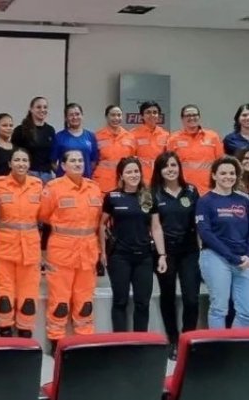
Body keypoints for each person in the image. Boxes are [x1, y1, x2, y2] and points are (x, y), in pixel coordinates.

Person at [39, 149, 102, 352]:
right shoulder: (53, 188)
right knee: (60, 301)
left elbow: (98, 219)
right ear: (63, 166)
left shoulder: (94, 188)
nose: (77, 163)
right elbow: (44, 215)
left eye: (80, 160)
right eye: (72, 160)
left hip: (88, 251)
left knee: (85, 300)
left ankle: (84, 341)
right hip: (62, 251)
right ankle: (56, 342)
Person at [99, 157, 167, 333]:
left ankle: (140, 344)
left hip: (144, 257)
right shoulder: (112, 197)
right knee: (120, 301)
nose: (133, 175)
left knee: (142, 303)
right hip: (120, 257)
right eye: (129, 171)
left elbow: (156, 226)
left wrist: (162, 255)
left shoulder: (148, 196)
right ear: (121, 175)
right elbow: (101, 224)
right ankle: (120, 344)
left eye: (136, 171)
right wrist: (103, 252)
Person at [151, 151, 200, 359]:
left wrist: (202, 251)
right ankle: (172, 339)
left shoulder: (191, 191)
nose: (170, 169)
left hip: (189, 251)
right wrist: (162, 254)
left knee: (191, 298)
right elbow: (155, 227)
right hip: (165, 252)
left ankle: (187, 340)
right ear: (159, 170)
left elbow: (198, 224)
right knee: (168, 295)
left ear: (179, 167)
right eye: (165, 166)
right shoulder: (153, 193)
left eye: (173, 165)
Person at [0, 148, 43, 338]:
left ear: (29, 164)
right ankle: (4, 331)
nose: (21, 164)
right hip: (5, 248)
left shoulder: (38, 185)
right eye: (17, 160)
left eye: (24, 160)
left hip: (30, 249)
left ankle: (25, 332)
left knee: (28, 295)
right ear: (10, 164)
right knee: (4, 295)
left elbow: (44, 214)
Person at [196, 156, 249, 329]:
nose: (228, 177)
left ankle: (235, 349)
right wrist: (232, 257)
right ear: (214, 175)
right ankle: (218, 351)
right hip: (215, 257)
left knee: (246, 312)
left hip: (243, 260)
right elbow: (205, 233)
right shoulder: (205, 201)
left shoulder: (244, 200)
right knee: (219, 308)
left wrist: (247, 255)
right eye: (223, 173)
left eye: (232, 173)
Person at [167, 104, 224, 195]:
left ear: (199, 117)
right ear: (182, 119)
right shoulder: (173, 139)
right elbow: (168, 166)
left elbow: (221, 163)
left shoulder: (213, 136)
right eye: (188, 115)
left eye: (194, 115)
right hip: (184, 189)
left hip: (209, 189)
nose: (192, 117)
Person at [11, 97, 56, 184]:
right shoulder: (21, 130)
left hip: (47, 175)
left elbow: (51, 156)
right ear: (31, 109)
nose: (42, 110)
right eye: (38, 107)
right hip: (27, 174)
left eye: (45, 107)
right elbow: (14, 154)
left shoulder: (50, 130)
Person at [92, 105, 136, 193]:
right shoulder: (97, 136)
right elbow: (92, 161)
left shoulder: (130, 137)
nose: (116, 118)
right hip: (103, 183)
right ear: (106, 117)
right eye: (112, 115)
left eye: (119, 115)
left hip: (124, 182)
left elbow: (132, 160)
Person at [51, 103, 99, 179]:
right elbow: (53, 162)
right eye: (71, 115)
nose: (75, 117)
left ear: (82, 116)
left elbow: (93, 162)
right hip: (64, 183)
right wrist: (61, 174)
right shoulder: (59, 137)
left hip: (85, 181)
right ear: (66, 118)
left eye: (77, 114)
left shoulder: (91, 136)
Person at [132, 101, 169, 184]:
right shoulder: (133, 135)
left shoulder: (166, 135)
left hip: (160, 179)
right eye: (148, 112)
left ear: (159, 116)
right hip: (140, 180)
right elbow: (131, 159)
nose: (152, 115)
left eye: (155, 112)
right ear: (142, 116)